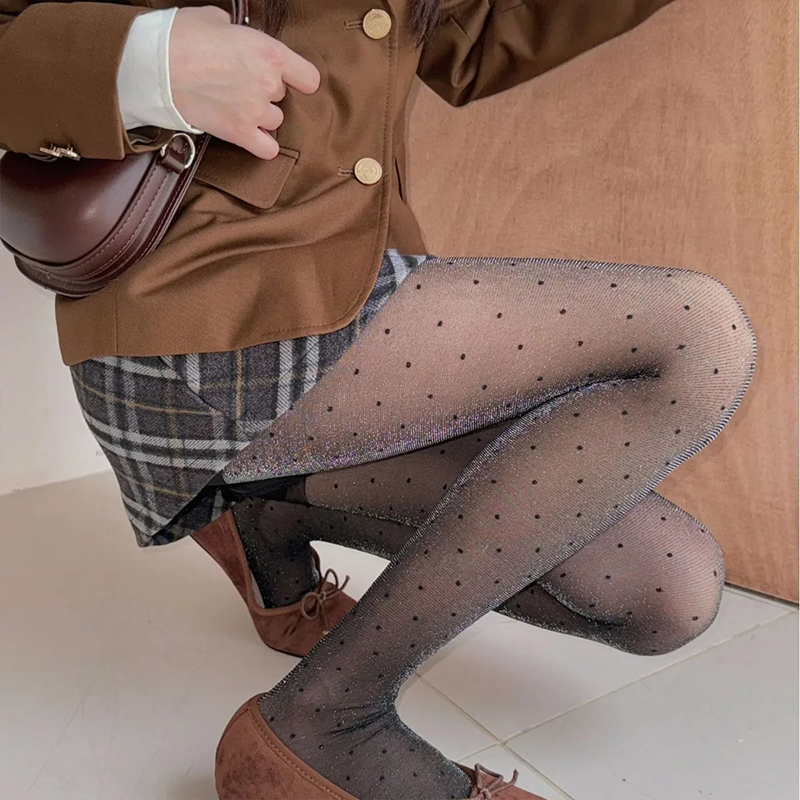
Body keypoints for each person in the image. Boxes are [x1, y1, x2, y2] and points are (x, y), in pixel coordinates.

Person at [0, 1, 758, 798]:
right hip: (190, 308)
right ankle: (331, 717)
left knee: (670, 592)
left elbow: (472, 43)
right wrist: (152, 61)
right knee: (698, 335)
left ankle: (268, 511)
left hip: (354, 301)